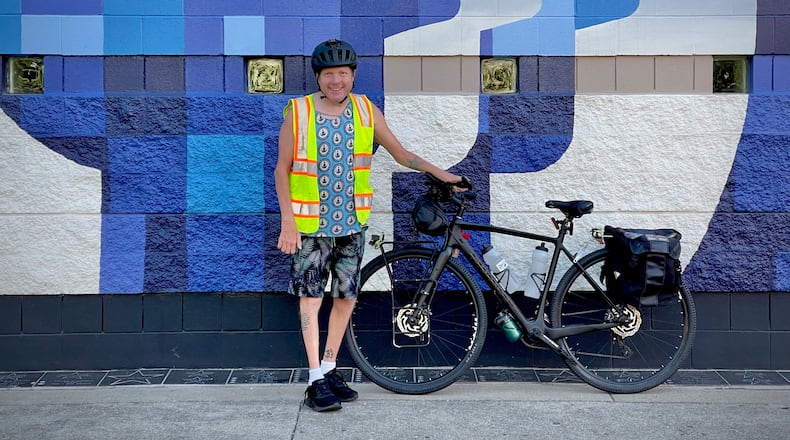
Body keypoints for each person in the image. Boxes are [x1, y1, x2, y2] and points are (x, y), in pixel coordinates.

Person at [274, 39, 462, 412]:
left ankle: (329, 368)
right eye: (329, 74)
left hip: (350, 224)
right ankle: (314, 379)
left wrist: (442, 174)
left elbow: (402, 153)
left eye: (343, 73)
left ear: (353, 75)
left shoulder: (365, 110)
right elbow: (283, 168)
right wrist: (287, 222)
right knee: (311, 300)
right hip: (310, 226)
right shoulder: (298, 112)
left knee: (346, 298)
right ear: (318, 77)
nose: (336, 81)